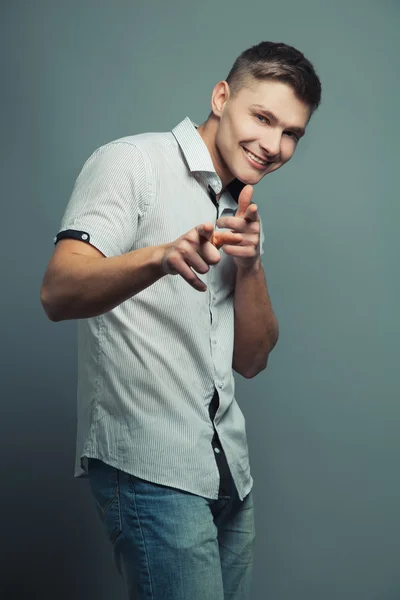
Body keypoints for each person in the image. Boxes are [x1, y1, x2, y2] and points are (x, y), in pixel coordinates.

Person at [40, 40, 321, 600]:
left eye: (291, 133)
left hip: (228, 475)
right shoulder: (133, 162)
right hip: (149, 468)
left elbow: (253, 360)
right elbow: (58, 291)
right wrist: (159, 256)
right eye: (262, 118)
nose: (273, 145)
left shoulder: (239, 205)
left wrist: (251, 265)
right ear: (221, 97)